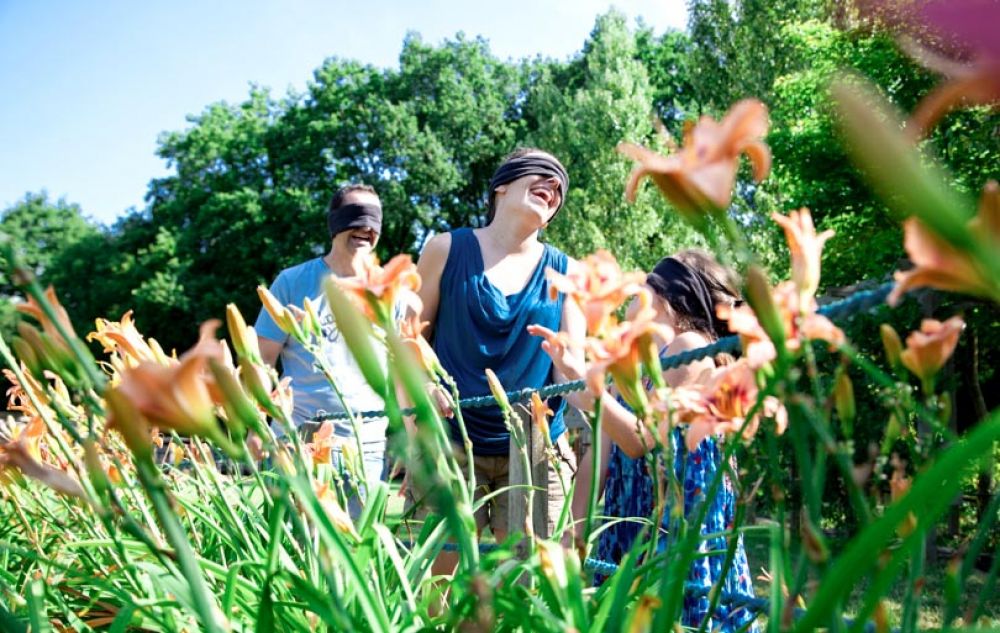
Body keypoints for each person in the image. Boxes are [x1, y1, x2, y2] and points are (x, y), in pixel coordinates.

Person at [536, 249, 758, 632]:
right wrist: (572, 535)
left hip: (676, 525)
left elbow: (643, 439)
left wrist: (588, 385)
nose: (633, 292)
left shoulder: (690, 347)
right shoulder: (632, 367)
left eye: (646, 284)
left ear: (668, 294)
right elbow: (598, 461)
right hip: (631, 522)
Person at [409, 148, 584, 542]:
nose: (554, 185)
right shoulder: (444, 249)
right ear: (501, 186)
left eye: (561, 185)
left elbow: (574, 373)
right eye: (541, 173)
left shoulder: (569, 272)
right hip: (449, 444)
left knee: (527, 589)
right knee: (438, 588)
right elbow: (408, 338)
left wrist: (581, 372)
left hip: (536, 449)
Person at [255, 183, 388, 516]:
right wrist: (257, 424)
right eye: (355, 217)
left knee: (357, 552)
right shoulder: (292, 282)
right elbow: (261, 361)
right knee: (297, 548)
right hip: (299, 439)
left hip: (367, 446)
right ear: (334, 224)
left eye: (374, 220)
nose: (365, 228)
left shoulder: (389, 290)